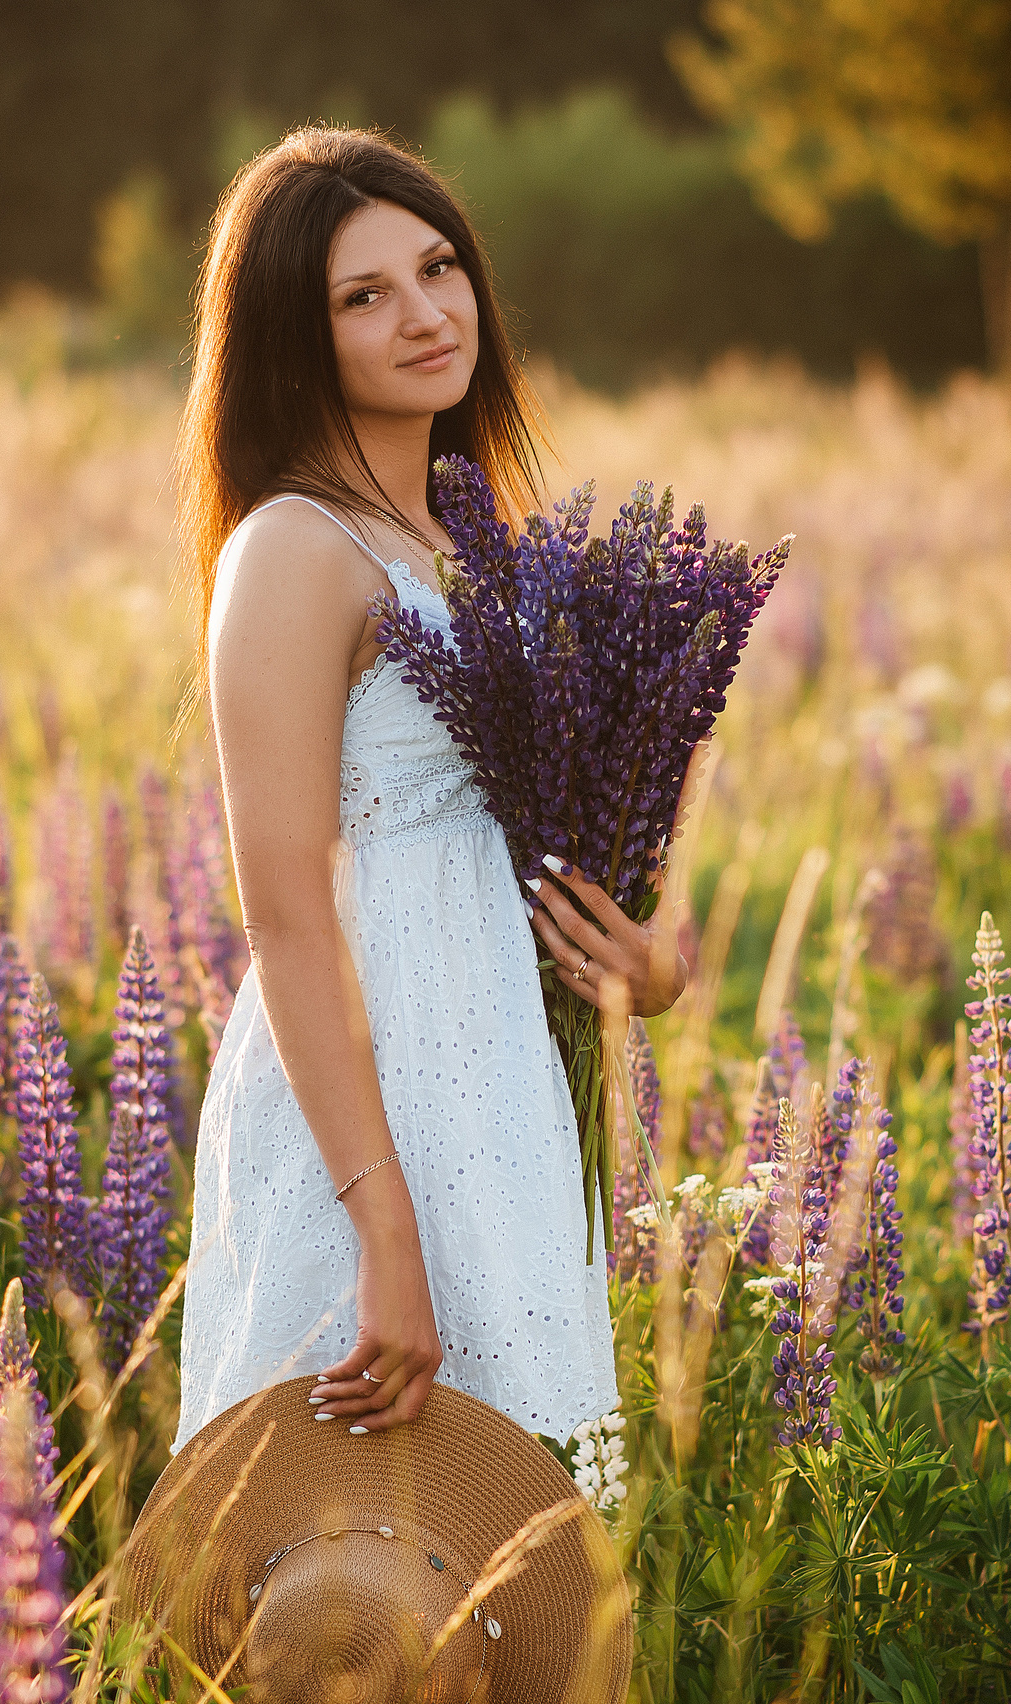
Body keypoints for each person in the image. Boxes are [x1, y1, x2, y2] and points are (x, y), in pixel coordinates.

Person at [170, 127, 687, 1450]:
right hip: (370, 1102)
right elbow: (283, 912)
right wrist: (383, 1234)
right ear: (296, 337)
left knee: (513, 1539)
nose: (424, 314)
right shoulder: (294, 547)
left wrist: (645, 963)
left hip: (504, 1077)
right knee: (339, 1576)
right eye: (364, 295)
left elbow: (552, 841)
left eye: (438, 267)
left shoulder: (479, 541)